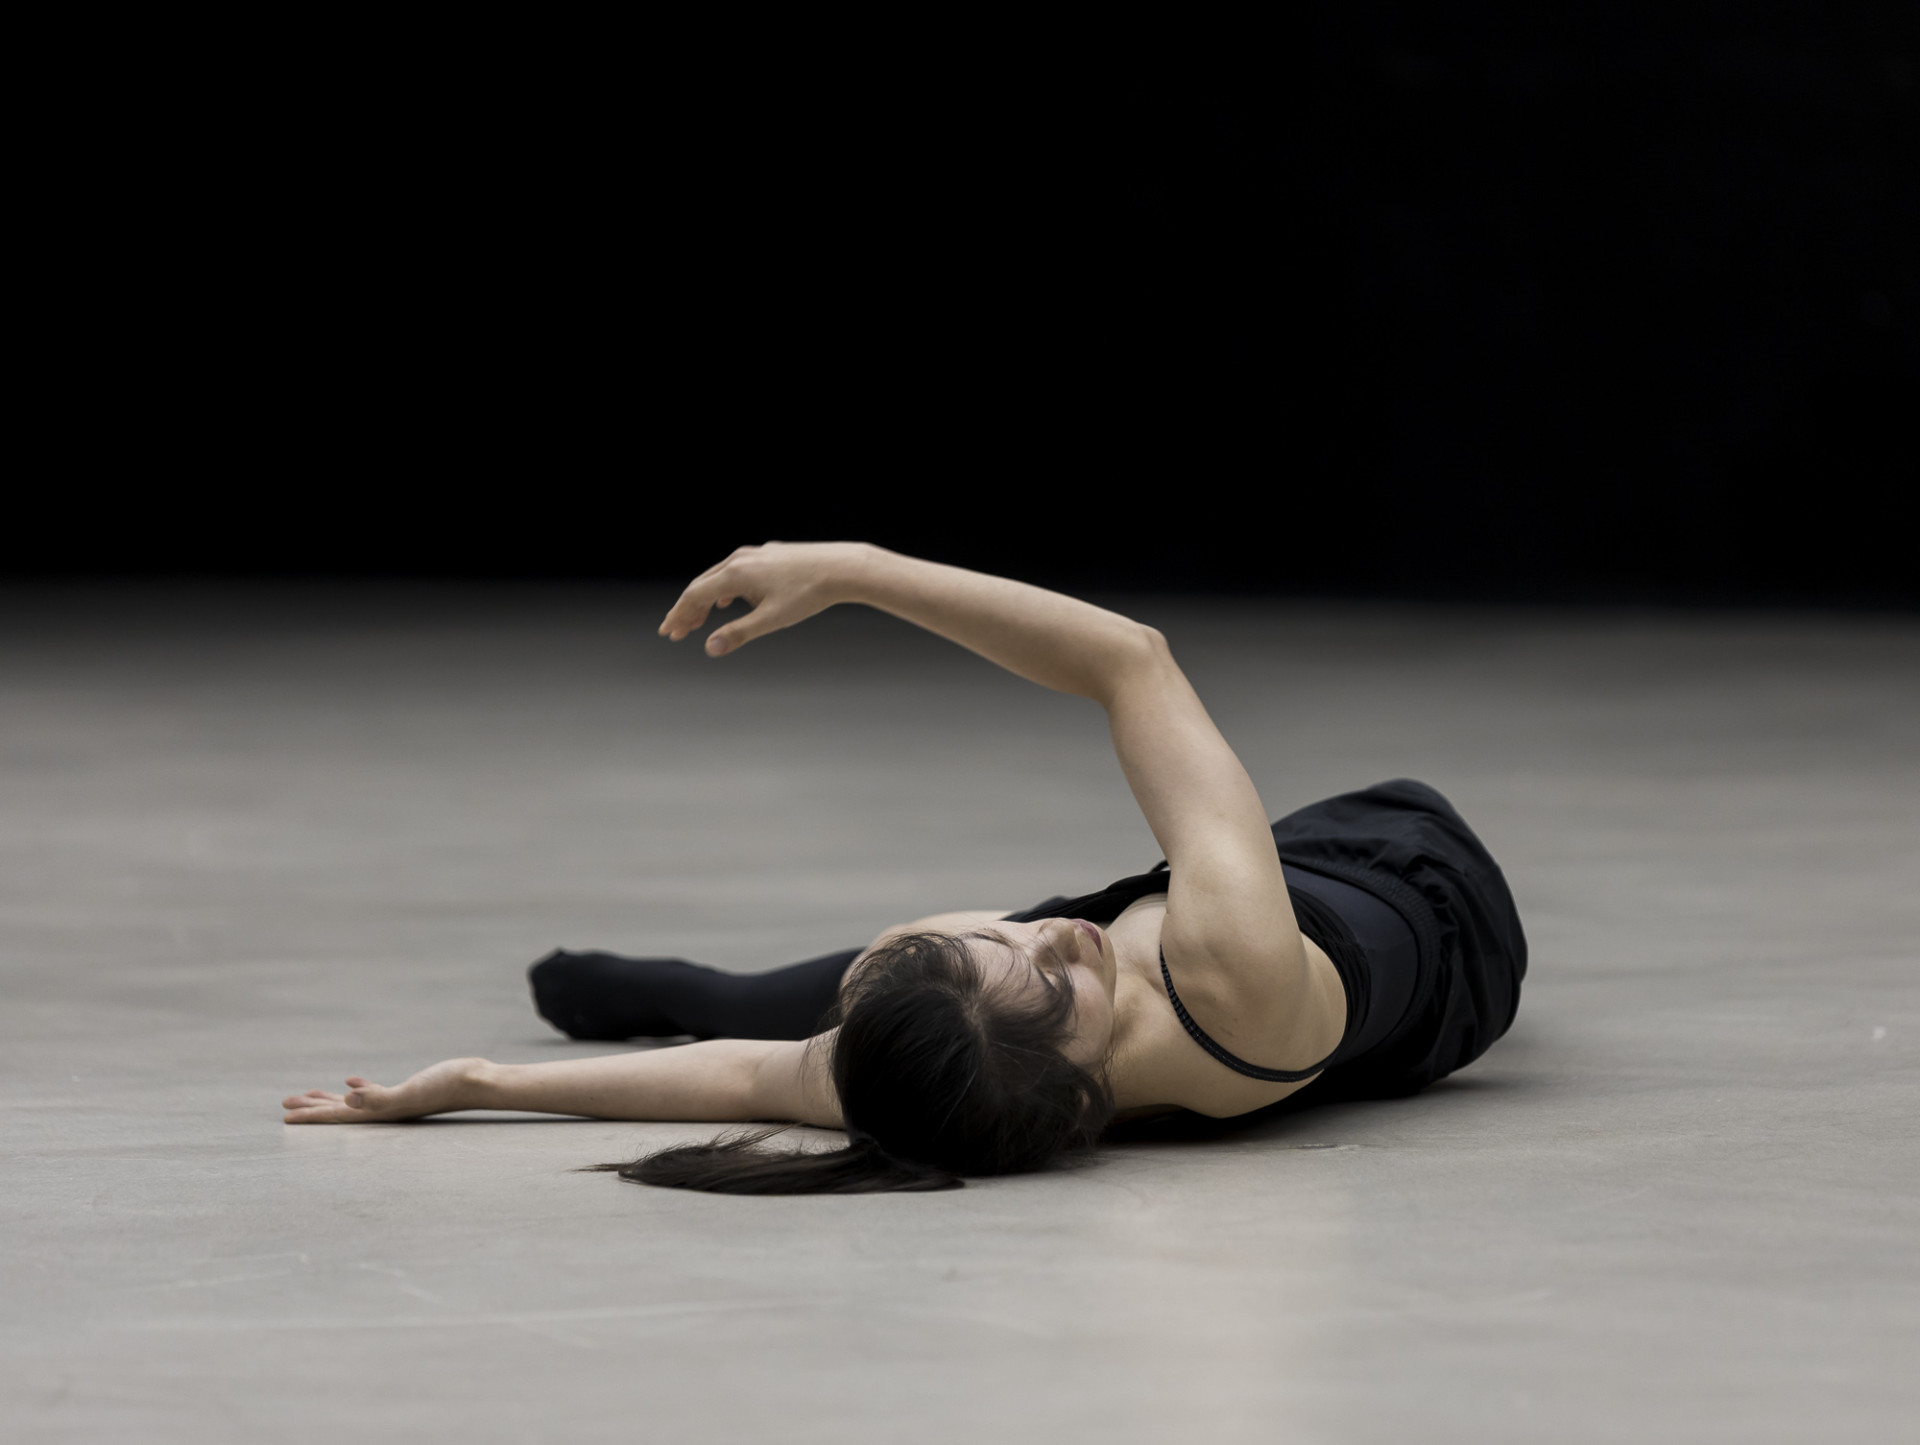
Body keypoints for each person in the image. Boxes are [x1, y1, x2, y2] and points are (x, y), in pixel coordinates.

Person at [282, 543, 1527, 1193]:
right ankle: (767, 976)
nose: (1058, 929)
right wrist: (855, 572)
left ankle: (701, 979)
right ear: (1074, 1095)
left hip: (1308, 900)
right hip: (1415, 882)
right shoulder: (1210, 972)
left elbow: (753, 1073)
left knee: (749, 1005)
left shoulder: (977, 1075)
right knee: (881, 985)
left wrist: (481, 1082)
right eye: (1039, 958)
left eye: (1019, 941)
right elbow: (1131, 660)